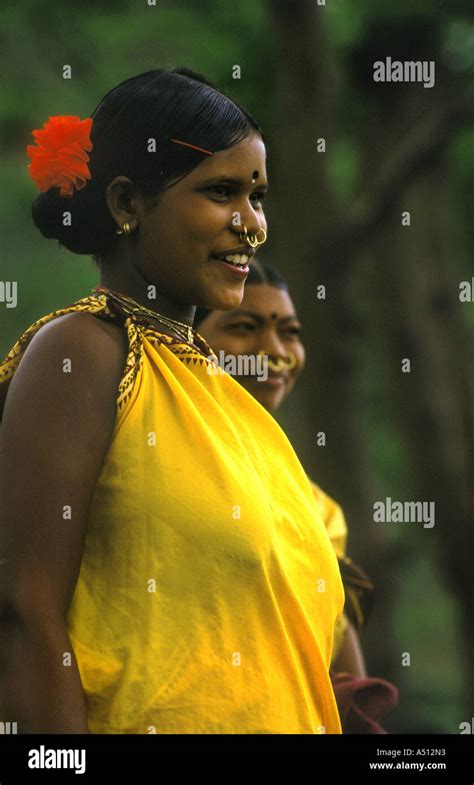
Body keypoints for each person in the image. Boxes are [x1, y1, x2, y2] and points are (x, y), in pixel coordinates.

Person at [0, 67, 345, 734]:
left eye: (259, 197)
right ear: (128, 202)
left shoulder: (228, 397)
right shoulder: (82, 353)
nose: (253, 225)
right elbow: (21, 612)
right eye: (222, 192)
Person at [194, 256, 399, 733]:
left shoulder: (318, 509)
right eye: (245, 327)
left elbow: (344, 680)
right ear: (192, 339)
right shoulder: (151, 464)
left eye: (290, 332)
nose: (275, 350)